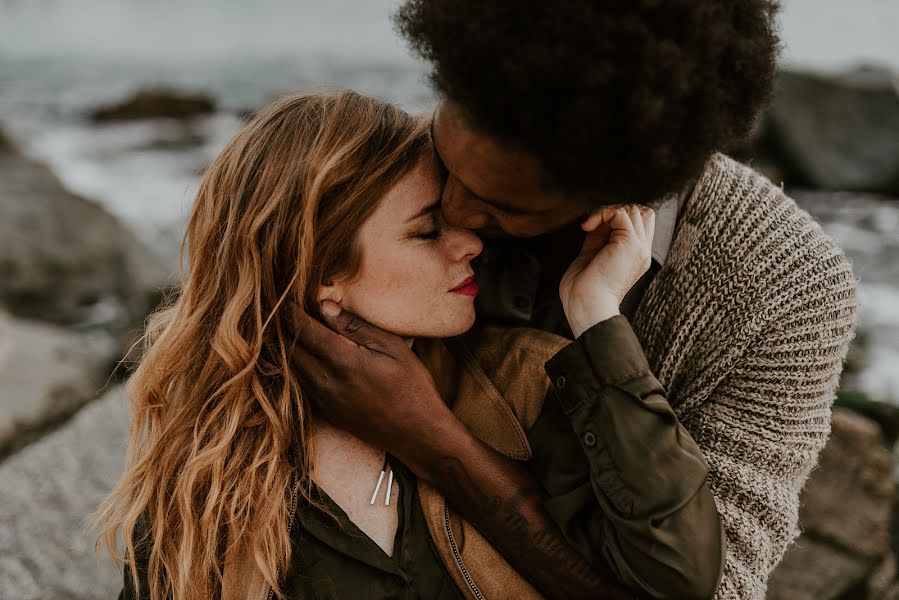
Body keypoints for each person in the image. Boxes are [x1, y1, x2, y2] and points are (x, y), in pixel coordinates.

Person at [291, 1, 859, 599]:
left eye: (504, 208)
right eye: (443, 150)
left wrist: (427, 436)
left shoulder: (784, 293)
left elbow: (709, 588)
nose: (453, 212)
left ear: (616, 197)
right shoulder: (405, 168)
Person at [94, 90, 648, 600]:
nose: (471, 242)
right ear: (322, 271)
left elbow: (658, 576)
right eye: (427, 232)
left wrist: (597, 309)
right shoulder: (206, 485)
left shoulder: (528, 386)